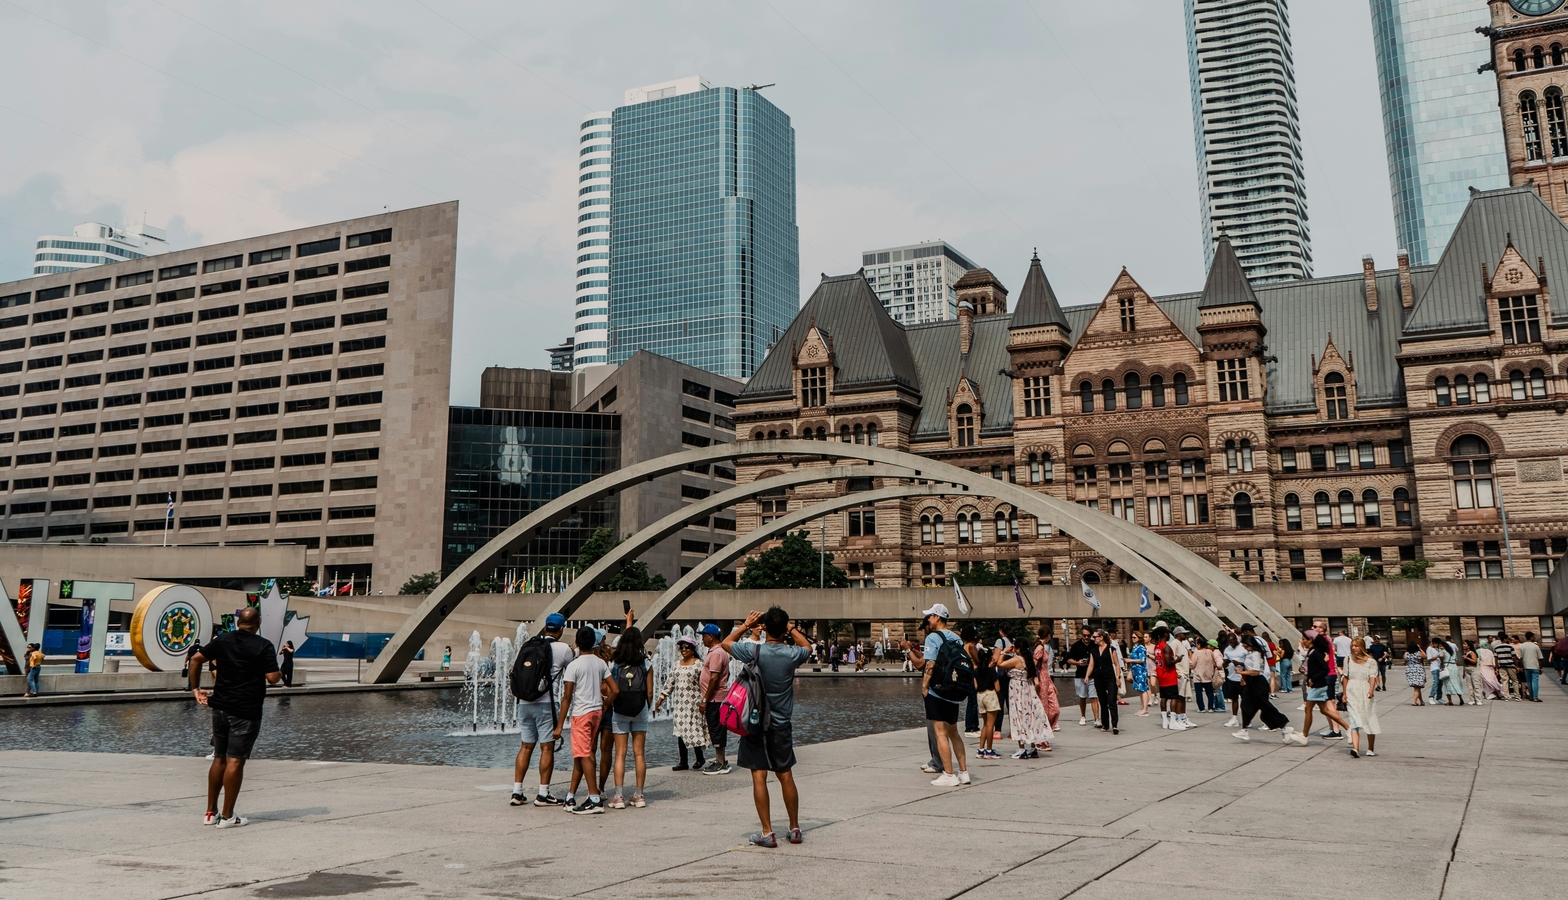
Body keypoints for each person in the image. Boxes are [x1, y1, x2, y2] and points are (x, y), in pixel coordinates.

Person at [722, 607, 812, 848]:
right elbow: (808, 648)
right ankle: (794, 829)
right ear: (784, 629)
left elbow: (725, 643)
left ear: (763, 627)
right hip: (781, 725)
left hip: (754, 724)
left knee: (759, 776)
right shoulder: (792, 654)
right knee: (785, 776)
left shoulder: (753, 650)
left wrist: (745, 625)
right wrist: (791, 628)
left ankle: (767, 832)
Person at [188, 606, 282, 828]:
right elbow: (272, 678)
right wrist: (275, 672)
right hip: (246, 710)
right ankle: (228, 816)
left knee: (219, 757)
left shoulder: (222, 641)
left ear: (238, 622)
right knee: (235, 761)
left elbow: (195, 660)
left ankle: (210, 813)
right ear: (258, 623)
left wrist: (196, 689)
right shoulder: (263, 645)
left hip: (220, 708)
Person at [511, 613, 574, 807]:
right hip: (547, 703)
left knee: (525, 746)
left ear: (545, 627)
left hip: (524, 702)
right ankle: (543, 793)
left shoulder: (529, 645)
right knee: (547, 747)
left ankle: (517, 791)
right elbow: (572, 672)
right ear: (561, 629)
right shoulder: (563, 649)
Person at [905, 603, 970, 787]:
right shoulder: (956, 638)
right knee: (954, 733)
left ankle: (949, 774)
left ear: (937, 617)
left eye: (930, 616)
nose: (929, 620)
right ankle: (963, 772)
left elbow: (930, 664)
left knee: (940, 733)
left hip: (938, 690)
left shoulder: (933, 637)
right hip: (954, 690)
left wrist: (924, 687)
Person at [552, 625, 613, 815]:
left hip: (581, 714)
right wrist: (604, 705)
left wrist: (559, 726)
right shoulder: (600, 663)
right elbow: (616, 690)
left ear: (577, 643)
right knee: (581, 754)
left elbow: (567, 697)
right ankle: (571, 795)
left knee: (585, 754)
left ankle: (594, 798)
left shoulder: (574, 665)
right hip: (596, 713)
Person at [653, 636, 708, 801]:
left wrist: (705, 700)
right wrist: (661, 699)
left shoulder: (699, 664)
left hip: (694, 702)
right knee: (680, 732)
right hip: (680, 704)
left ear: (693, 649)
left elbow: (705, 683)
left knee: (694, 729)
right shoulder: (677, 665)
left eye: (687, 647)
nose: (684, 650)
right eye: (681, 648)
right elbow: (670, 683)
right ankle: (683, 761)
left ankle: (699, 758)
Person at [608, 617, 654, 809]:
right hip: (639, 709)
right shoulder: (646, 662)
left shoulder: (614, 663)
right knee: (639, 754)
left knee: (620, 754)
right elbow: (650, 691)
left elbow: (610, 688)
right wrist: (647, 707)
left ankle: (618, 796)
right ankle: (639, 795)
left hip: (619, 710)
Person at [1231, 627, 1299, 744]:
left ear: (1251, 644)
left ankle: (1284, 726)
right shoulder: (1251, 653)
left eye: (1246, 646)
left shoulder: (1256, 654)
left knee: (1265, 707)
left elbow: (1256, 671)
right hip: (1252, 682)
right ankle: (1245, 729)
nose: (1245, 648)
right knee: (1247, 706)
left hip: (1258, 683)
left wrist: (1241, 673)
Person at [999, 633, 1052, 754]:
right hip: (1029, 690)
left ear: (1017, 648)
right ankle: (1033, 747)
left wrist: (1003, 652)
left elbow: (999, 665)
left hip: (1017, 690)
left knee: (1018, 716)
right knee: (1030, 717)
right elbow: (1036, 682)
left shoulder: (1017, 660)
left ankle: (1021, 748)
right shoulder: (1029, 661)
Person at [1301, 633, 1349, 742]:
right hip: (1319, 684)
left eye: (1304, 639)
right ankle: (1348, 728)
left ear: (1311, 640)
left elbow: (1325, 669)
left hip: (1318, 685)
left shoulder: (1316, 652)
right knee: (1324, 710)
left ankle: (1304, 736)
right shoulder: (1312, 651)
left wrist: (1313, 679)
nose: (1302, 641)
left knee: (1308, 709)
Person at [698, 623, 732, 774]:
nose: (702, 639)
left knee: (717, 729)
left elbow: (714, 678)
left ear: (710, 637)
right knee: (716, 729)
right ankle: (720, 760)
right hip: (715, 698)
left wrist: (705, 699)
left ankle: (720, 762)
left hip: (715, 699)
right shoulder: (716, 651)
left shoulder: (717, 653)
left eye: (704, 636)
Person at [1340, 638, 1381, 758]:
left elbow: (1373, 676)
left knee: (1369, 719)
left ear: (1362, 647)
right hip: (1352, 690)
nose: (1354, 648)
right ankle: (1356, 749)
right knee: (1354, 720)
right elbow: (1345, 677)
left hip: (1365, 690)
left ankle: (1370, 748)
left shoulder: (1370, 661)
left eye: (1356, 646)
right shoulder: (1347, 660)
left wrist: (1371, 690)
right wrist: (1344, 693)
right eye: (1352, 646)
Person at [1085, 630, 1123, 734]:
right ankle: (1105, 724)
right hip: (1099, 677)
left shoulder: (1111, 649)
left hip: (1110, 677)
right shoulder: (1094, 650)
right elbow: (1091, 664)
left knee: (1111, 701)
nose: (1094, 639)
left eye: (1095, 637)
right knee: (1102, 701)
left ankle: (1114, 725)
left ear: (1101, 637)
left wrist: (1118, 677)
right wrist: (1087, 676)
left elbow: (1116, 664)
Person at [1151, 624, 1188, 730]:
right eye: (1167, 633)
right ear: (1164, 634)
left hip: (1161, 674)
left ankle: (1164, 721)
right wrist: (1177, 660)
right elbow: (1168, 662)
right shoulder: (1166, 646)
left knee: (1163, 698)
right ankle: (1172, 721)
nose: (1169, 635)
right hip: (1169, 675)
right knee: (1173, 698)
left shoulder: (1157, 646)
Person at [973, 645, 1003, 758]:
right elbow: (998, 687)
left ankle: (981, 749)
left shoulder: (976, 671)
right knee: (991, 725)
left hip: (980, 696)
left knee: (985, 724)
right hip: (990, 695)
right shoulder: (991, 671)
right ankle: (989, 751)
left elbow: (975, 685)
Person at [1066, 625, 1096, 726]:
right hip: (1080, 674)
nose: (1086, 638)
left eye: (1088, 635)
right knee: (1082, 696)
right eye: (1084, 635)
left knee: (1094, 697)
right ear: (1081, 635)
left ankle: (1096, 718)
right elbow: (1069, 659)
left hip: (1094, 674)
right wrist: (1078, 663)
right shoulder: (1076, 646)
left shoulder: (1095, 645)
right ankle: (1083, 716)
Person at [1033, 626, 1062, 731]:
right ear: (1049, 635)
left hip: (1047, 679)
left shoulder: (1044, 646)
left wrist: (1051, 683)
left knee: (1055, 709)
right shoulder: (1040, 648)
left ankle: (1047, 728)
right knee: (1044, 708)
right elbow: (1034, 665)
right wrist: (1036, 679)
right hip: (1041, 679)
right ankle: (1042, 732)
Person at [1221, 632, 1246, 727]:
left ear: (1236, 639)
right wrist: (1225, 663)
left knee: (1245, 700)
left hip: (1242, 678)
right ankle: (1234, 718)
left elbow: (1248, 663)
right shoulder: (1227, 649)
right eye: (1229, 642)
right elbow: (1224, 664)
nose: (1231, 644)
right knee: (1234, 699)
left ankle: (1246, 719)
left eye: (1232, 641)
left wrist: (1239, 663)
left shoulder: (1243, 648)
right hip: (1232, 677)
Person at [960, 625, 981, 737]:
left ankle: (974, 726)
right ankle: (970, 728)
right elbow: (979, 660)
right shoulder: (972, 646)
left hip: (967, 674)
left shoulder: (965, 645)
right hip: (973, 674)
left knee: (972, 701)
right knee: (973, 702)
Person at [1191, 638, 1217, 714]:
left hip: (1198, 675)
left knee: (1199, 693)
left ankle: (1201, 708)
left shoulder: (1196, 653)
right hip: (1209, 675)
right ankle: (1211, 708)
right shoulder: (1210, 652)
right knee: (1210, 692)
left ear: (1198, 644)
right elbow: (1214, 661)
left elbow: (1193, 664)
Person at [1127, 632, 1151, 717]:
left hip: (1141, 671)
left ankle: (1145, 709)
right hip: (1136, 671)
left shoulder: (1141, 647)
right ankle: (1143, 707)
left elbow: (1142, 659)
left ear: (1139, 638)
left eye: (1134, 637)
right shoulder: (1134, 647)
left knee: (1143, 689)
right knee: (1140, 690)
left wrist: (1130, 661)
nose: (1133, 639)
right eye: (1132, 637)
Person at [1518, 632, 1544, 702]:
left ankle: (1531, 696)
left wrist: (1521, 666)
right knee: (1535, 682)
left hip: (1526, 666)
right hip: (1535, 666)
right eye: (1534, 636)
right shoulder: (1535, 646)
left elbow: (1520, 658)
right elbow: (1539, 658)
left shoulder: (1522, 646)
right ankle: (1536, 697)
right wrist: (1540, 668)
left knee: (1529, 682)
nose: (1534, 638)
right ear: (1531, 637)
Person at [1493, 634, 1519, 700]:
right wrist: (1517, 666)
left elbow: (1496, 659)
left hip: (1502, 666)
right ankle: (1517, 696)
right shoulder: (1510, 647)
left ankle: (1506, 696)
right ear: (1505, 639)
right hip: (1511, 665)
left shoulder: (1497, 648)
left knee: (1505, 681)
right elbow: (1514, 657)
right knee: (1515, 680)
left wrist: (1496, 668)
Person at [1404, 640, 1427, 706]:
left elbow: (1405, 660)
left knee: (1417, 687)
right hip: (1418, 670)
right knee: (1417, 687)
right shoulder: (1419, 653)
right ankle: (1414, 701)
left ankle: (1422, 701)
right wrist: (1420, 648)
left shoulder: (1406, 653)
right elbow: (1425, 656)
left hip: (1410, 670)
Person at [1462, 641, 1484, 707]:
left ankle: (1479, 700)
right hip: (1467, 669)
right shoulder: (1465, 653)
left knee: (1476, 685)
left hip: (1474, 669)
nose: (1463, 645)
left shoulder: (1472, 653)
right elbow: (1464, 664)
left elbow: (1475, 661)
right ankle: (1472, 699)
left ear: (1469, 646)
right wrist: (1463, 672)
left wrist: (1467, 658)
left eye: (1465, 644)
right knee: (1470, 686)